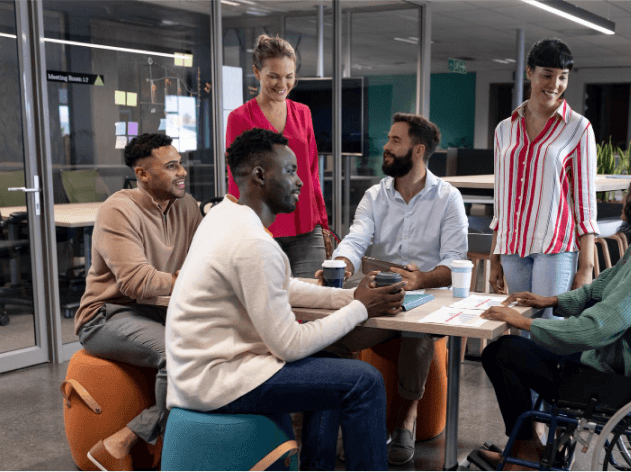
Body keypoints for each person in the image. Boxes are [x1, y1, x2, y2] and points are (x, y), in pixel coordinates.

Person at [165, 128, 406, 471]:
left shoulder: (223, 216)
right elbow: (289, 346)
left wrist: (349, 295)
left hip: (199, 375)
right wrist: (360, 308)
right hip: (219, 382)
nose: (301, 182)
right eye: (291, 171)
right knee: (363, 382)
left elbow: (283, 286)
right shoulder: (254, 244)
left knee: (332, 368)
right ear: (261, 175)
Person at [476, 162, 631, 470]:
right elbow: (596, 291)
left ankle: (524, 453)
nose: (624, 199)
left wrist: (522, 321)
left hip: (613, 377)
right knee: (508, 352)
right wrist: (552, 300)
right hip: (607, 358)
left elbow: (595, 328)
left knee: (501, 352)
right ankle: (526, 448)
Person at [315, 112, 468, 465]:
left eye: (395, 141)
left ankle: (405, 421)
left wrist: (422, 279)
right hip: (381, 297)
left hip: (428, 300)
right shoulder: (374, 195)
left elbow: (454, 262)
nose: (385, 146)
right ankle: (350, 420)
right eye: (388, 139)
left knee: (417, 338)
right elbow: (356, 239)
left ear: (417, 150)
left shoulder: (448, 198)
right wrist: (341, 265)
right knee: (330, 337)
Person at [75, 133, 203, 472]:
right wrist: (186, 278)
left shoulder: (187, 207)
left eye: (181, 164)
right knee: (173, 353)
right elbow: (136, 283)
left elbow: (207, 263)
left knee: (221, 345)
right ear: (143, 174)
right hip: (106, 315)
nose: (183, 173)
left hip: (159, 310)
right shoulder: (119, 210)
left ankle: (123, 440)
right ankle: (171, 455)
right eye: (172, 166)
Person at [489, 38, 597, 326]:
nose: (555, 84)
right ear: (529, 72)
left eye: (562, 77)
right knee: (519, 327)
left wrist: (585, 267)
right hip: (512, 247)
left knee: (548, 329)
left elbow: (585, 204)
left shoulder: (578, 128)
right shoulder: (504, 130)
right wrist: (495, 255)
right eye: (547, 74)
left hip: (555, 247)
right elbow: (502, 199)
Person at [225, 34, 328, 277]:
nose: (282, 84)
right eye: (273, 76)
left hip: (306, 228)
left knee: (315, 305)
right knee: (267, 308)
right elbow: (235, 179)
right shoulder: (239, 118)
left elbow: (312, 172)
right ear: (257, 72)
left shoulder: (303, 113)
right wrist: (239, 228)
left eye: (289, 76)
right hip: (261, 230)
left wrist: (322, 222)